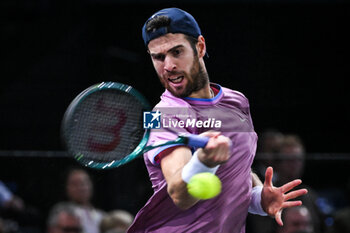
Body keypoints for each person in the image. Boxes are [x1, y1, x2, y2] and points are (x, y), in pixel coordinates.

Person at [127, 8, 308, 232]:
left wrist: (259, 198)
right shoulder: (164, 114)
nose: (168, 66)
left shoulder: (237, 102)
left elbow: (238, 173)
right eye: (158, 57)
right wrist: (204, 162)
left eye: (176, 52)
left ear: (200, 47)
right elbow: (179, 194)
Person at [60, 168, 105, 233]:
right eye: (75, 184)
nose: (80, 188)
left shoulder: (102, 215)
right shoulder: (60, 211)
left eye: (84, 183)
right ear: (67, 188)